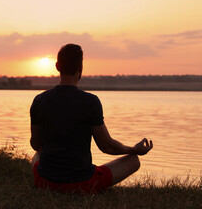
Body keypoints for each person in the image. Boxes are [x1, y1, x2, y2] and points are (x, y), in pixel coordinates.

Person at [30, 43, 153, 194]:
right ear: (80, 68)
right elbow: (107, 146)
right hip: (82, 184)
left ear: (57, 66)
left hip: (44, 182)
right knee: (133, 160)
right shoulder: (90, 102)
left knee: (37, 155)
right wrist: (134, 149)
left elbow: (36, 144)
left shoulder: (39, 100)